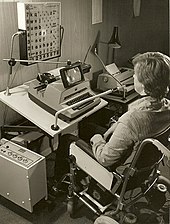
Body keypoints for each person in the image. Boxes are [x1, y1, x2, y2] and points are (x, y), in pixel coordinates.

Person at [53, 52, 170, 185]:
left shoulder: (132, 120)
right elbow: (132, 126)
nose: (133, 76)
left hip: (117, 176)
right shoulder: (166, 106)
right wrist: (116, 126)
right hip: (141, 170)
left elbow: (105, 159)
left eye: (136, 75)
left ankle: (61, 185)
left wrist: (97, 139)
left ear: (144, 84)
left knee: (67, 138)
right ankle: (82, 172)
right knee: (87, 125)